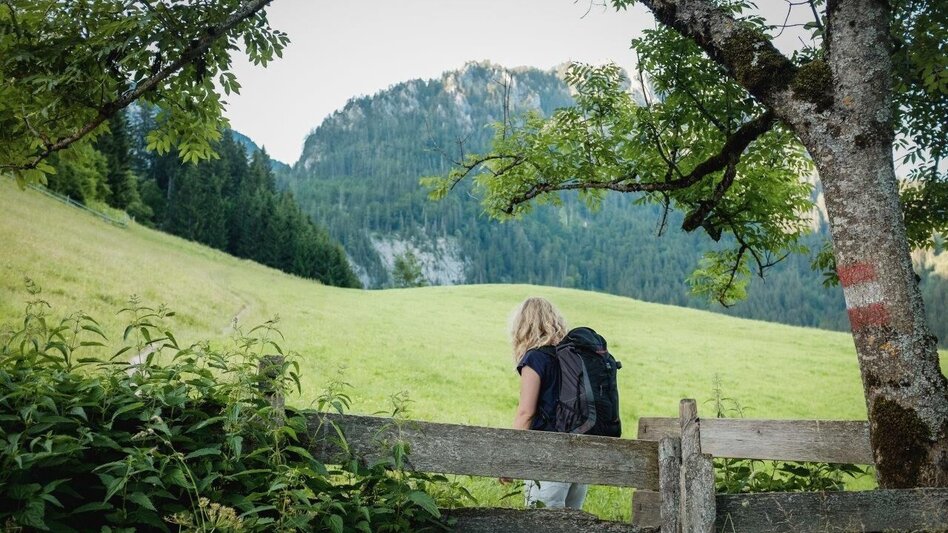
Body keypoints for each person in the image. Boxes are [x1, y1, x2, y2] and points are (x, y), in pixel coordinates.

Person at [502, 296, 588, 510]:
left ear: (523, 326)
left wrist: (511, 459)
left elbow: (526, 413)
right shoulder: (573, 358)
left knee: (539, 523)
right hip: (580, 455)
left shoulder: (535, 359)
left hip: (547, 457)